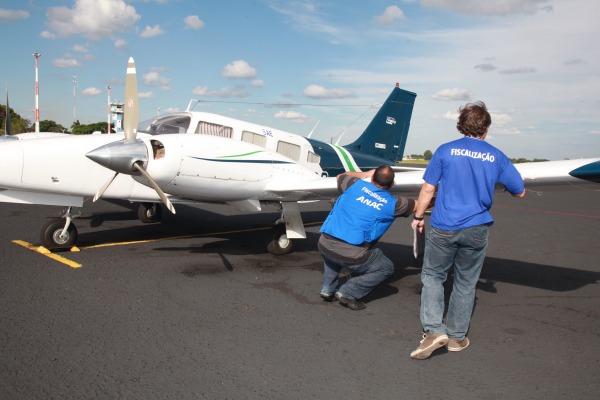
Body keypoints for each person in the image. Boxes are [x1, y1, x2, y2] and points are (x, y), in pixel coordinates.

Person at [409, 101, 525, 359]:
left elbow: (428, 189)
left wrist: (418, 216)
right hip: (477, 228)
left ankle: (433, 330)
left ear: (462, 125)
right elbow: (520, 191)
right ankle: (456, 338)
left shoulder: (445, 150)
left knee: (433, 277)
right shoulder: (497, 156)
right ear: (486, 128)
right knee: (465, 282)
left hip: (444, 227)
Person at [318, 165, 416, 311]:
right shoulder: (394, 204)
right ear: (392, 184)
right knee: (386, 267)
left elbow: (340, 176)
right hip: (350, 254)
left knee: (333, 251)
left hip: (324, 243)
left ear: (372, 177)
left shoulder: (353, 184)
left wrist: (365, 173)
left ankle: (327, 289)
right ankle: (347, 292)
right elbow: (421, 205)